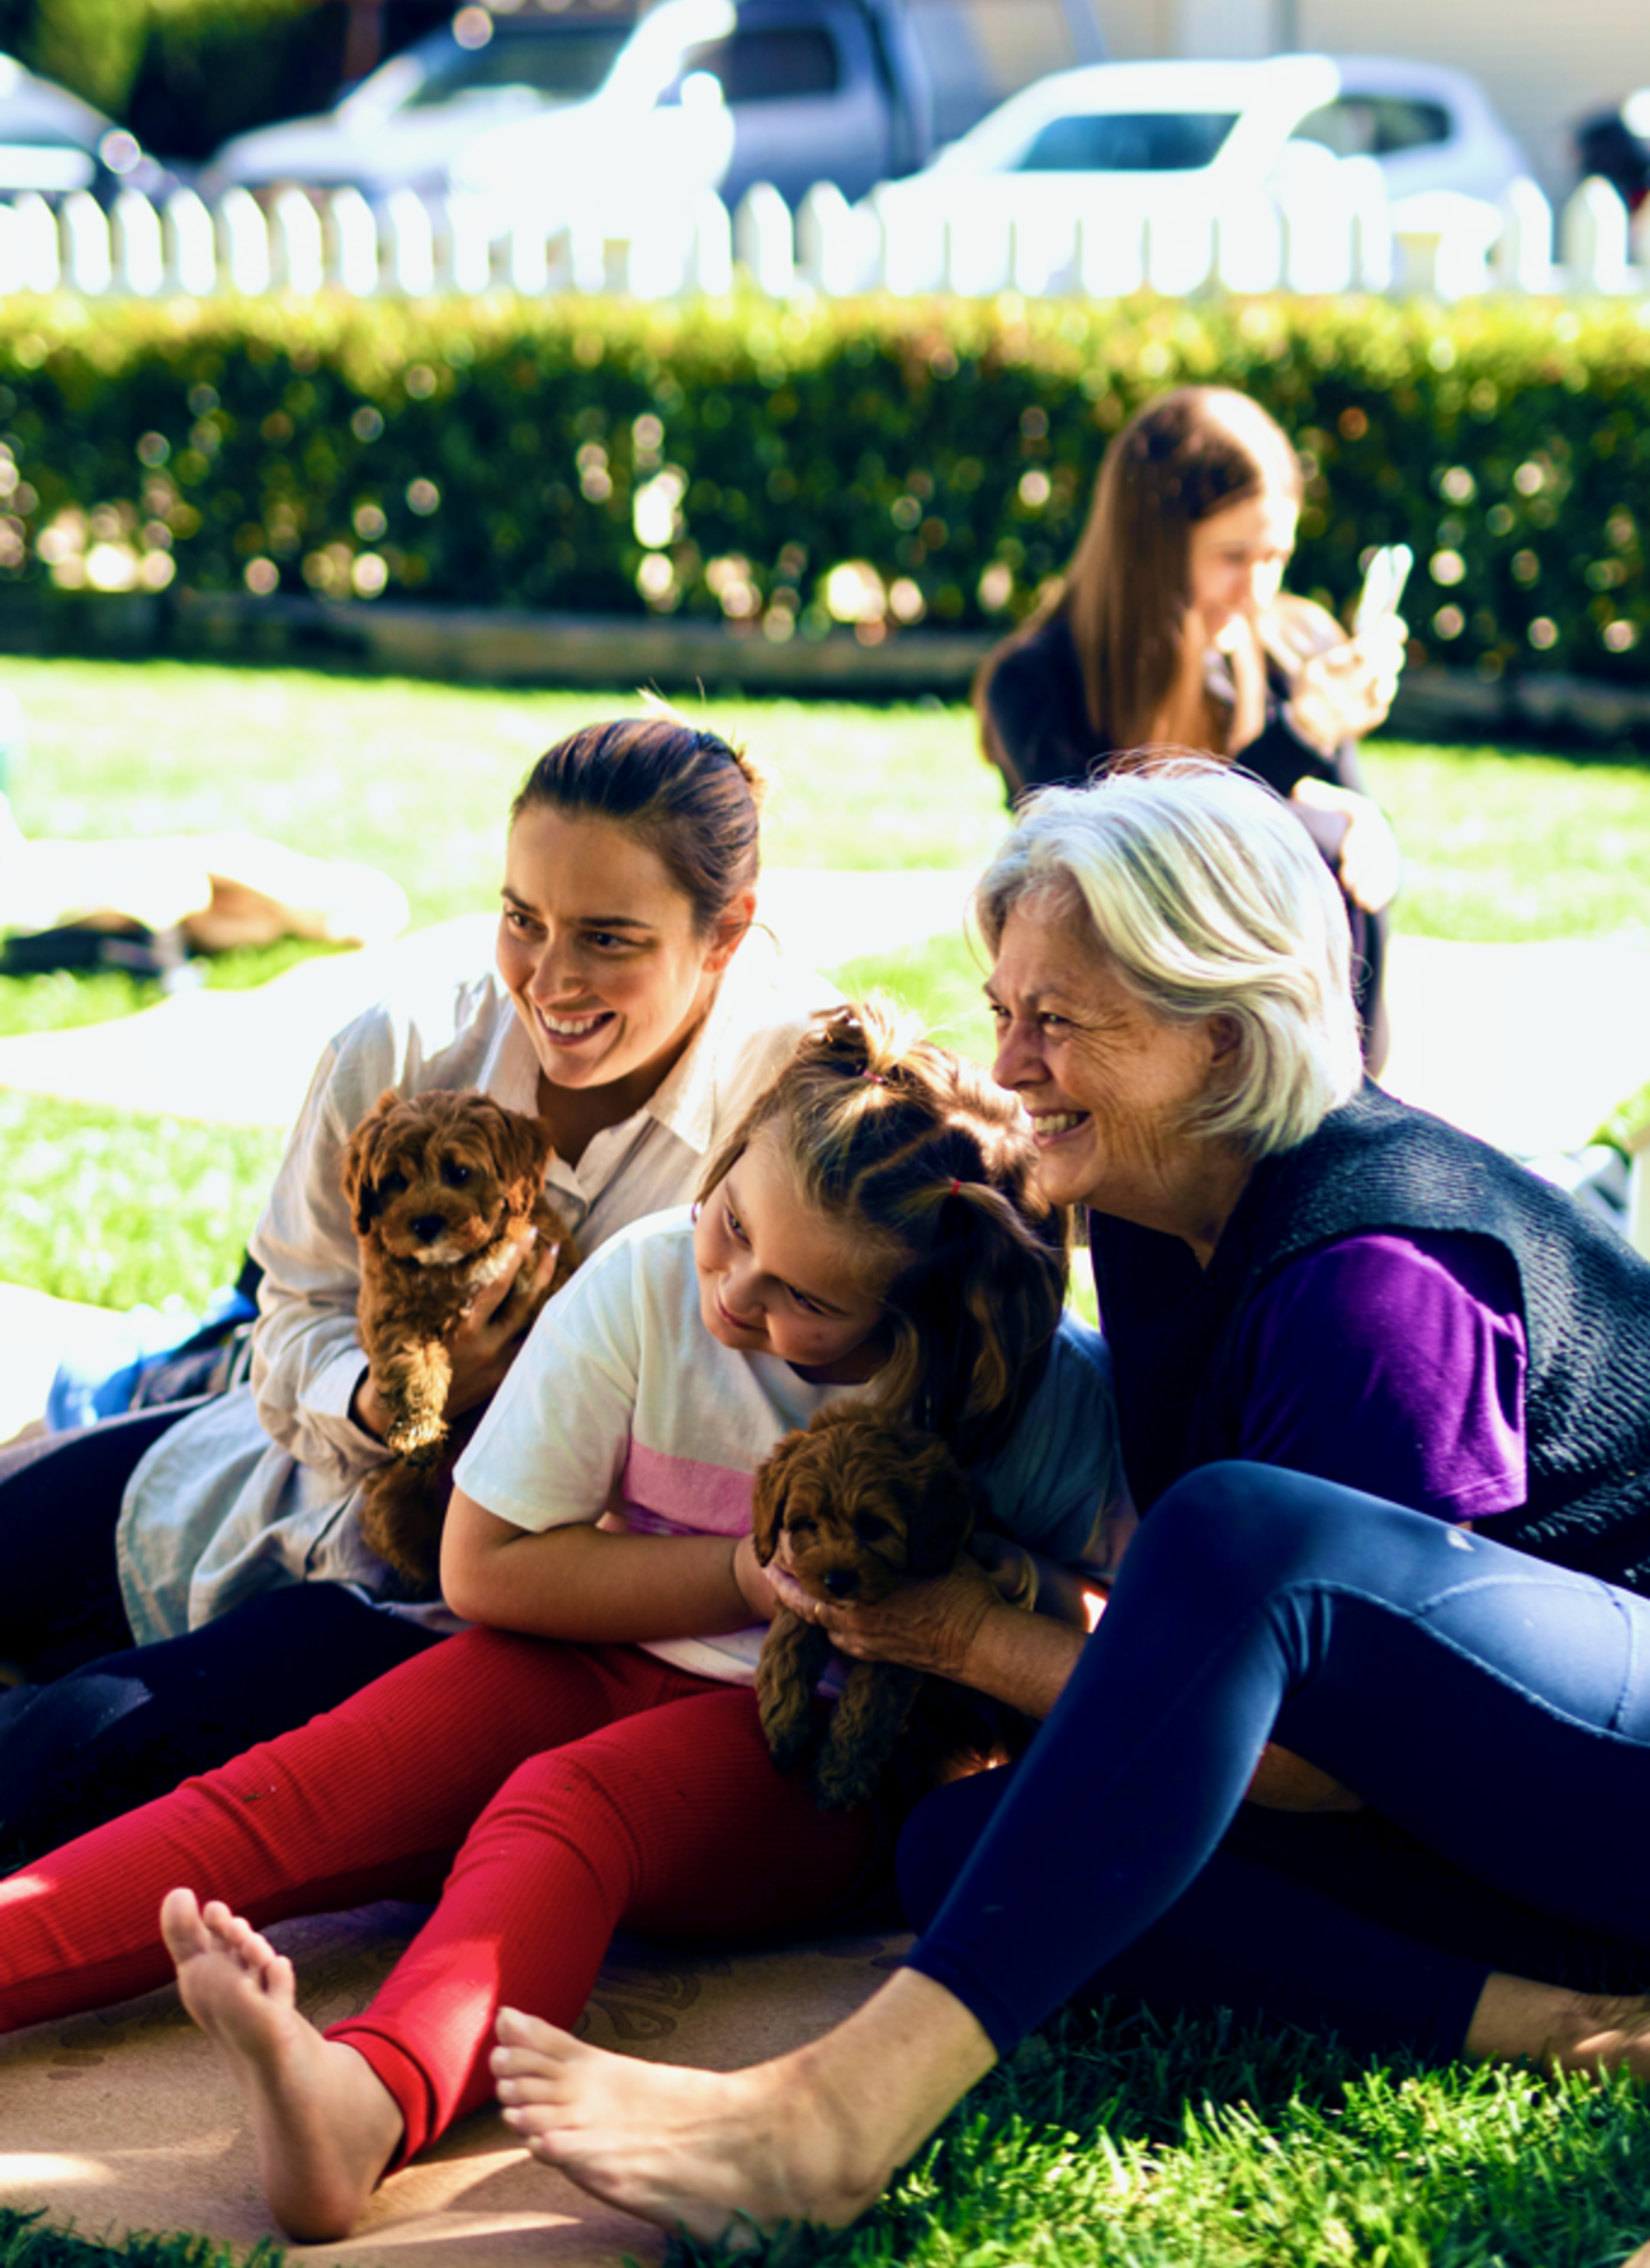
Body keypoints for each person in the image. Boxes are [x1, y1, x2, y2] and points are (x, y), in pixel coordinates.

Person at [463, 760, 1650, 2243]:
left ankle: (839, 2116)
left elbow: (1316, 1755)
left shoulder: (1378, 1282)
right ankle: (1559, 2018)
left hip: (1602, 1771)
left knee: (1239, 1531)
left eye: (1061, 1021)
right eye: (1004, 1007)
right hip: (1507, 1817)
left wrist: (969, 1633)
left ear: (1220, 1039)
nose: (1010, 1063)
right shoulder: (1154, 1204)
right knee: (969, 1849)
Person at [0, 999, 1123, 2246]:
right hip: (585, 1645)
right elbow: (486, 1568)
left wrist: (1000, 1593)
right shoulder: (650, 1276)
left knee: (562, 1809)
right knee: (300, 1784)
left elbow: (1141, 1634)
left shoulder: (1036, 1389)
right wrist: (744, 1575)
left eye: (803, 1297)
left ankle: (361, 2102)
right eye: (731, 1224)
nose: (733, 1293)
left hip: (803, 1741)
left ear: (923, 1320)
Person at [0, 713, 841, 1858]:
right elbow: (293, 1310)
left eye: (608, 938)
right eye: (522, 918)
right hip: (270, 1478)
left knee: (70, 1751)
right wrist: (380, 1398)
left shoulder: (800, 1105)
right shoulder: (403, 1042)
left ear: (726, 931)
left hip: (462, 1602)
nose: (551, 979)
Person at [974, 386, 1406, 1068]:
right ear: (1152, 550)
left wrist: (1361, 819)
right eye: (1233, 557)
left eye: (1276, 557)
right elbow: (1121, 866)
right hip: (1113, 1031)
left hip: (1304, 1041)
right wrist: (1300, 736)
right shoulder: (1038, 681)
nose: (1258, 591)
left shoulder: (1292, 647)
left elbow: (1349, 846)